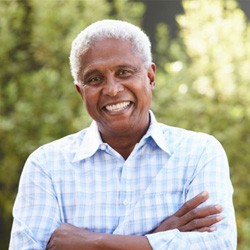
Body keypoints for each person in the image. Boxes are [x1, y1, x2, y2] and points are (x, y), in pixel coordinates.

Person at [9, 20, 237, 250]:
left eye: (124, 72)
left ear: (150, 77)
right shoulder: (47, 166)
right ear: (80, 91)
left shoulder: (198, 153)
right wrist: (157, 239)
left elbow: (218, 244)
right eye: (95, 79)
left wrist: (94, 243)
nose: (112, 89)